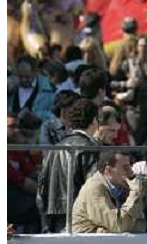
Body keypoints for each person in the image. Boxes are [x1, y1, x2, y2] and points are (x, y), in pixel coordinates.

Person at [38, 99, 101, 233]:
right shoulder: (89, 148)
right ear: (94, 120)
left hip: (54, 217)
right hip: (80, 219)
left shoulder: (54, 149)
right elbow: (93, 188)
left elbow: (41, 189)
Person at [72, 151, 147, 233]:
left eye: (130, 166)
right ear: (108, 170)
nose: (131, 171)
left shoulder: (123, 185)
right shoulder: (93, 188)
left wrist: (144, 191)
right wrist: (135, 193)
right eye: (125, 168)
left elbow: (143, 224)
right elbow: (118, 226)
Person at [7, 113, 42, 233]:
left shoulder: (15, 150)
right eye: (12, 127)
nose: (17, 130)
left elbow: (31, 170)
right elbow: (21, 181)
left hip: (19, 198)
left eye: (17, 126)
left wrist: (27, 146)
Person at [7, 55, 56, 122]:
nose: (23, 80)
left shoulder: (49, 89)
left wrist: (38, 116)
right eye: (20, 76)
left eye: (27, 77)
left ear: (35, 72)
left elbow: (56, 115)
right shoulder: (9, 86)